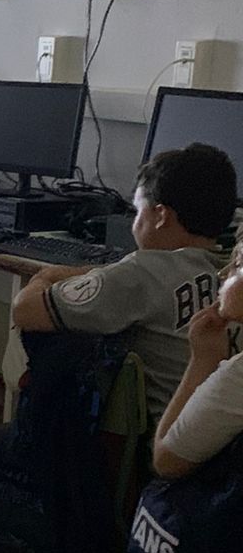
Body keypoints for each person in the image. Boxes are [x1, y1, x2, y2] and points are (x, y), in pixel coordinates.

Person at [12, 142, 238, 421]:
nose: (134, 222)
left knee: (1, 441)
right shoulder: (232, 273)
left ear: (161, 216)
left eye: (137, 210)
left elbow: (25, 310)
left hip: (166, 437)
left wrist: (44, 277)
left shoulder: (141, 273)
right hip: (222, 436)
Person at [152, 241, 243, 478]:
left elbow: (167, 461)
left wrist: (203, 359)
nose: (223, 274)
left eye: (237, 264)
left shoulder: (238, 374)